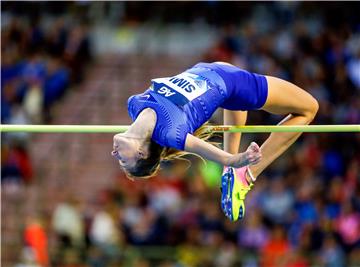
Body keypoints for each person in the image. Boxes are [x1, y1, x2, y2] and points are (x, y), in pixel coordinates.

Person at [111, 62, 318, 221]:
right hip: (235, 83)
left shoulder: (134, 104)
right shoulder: (171, 133)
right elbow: (219, 156)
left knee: (234, 104)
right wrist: (240, 160)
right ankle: (246, 175)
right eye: (123, 161)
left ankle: (233, 175)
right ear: (141, 153)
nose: (115, 155)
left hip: (219, 74)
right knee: (310, 108)